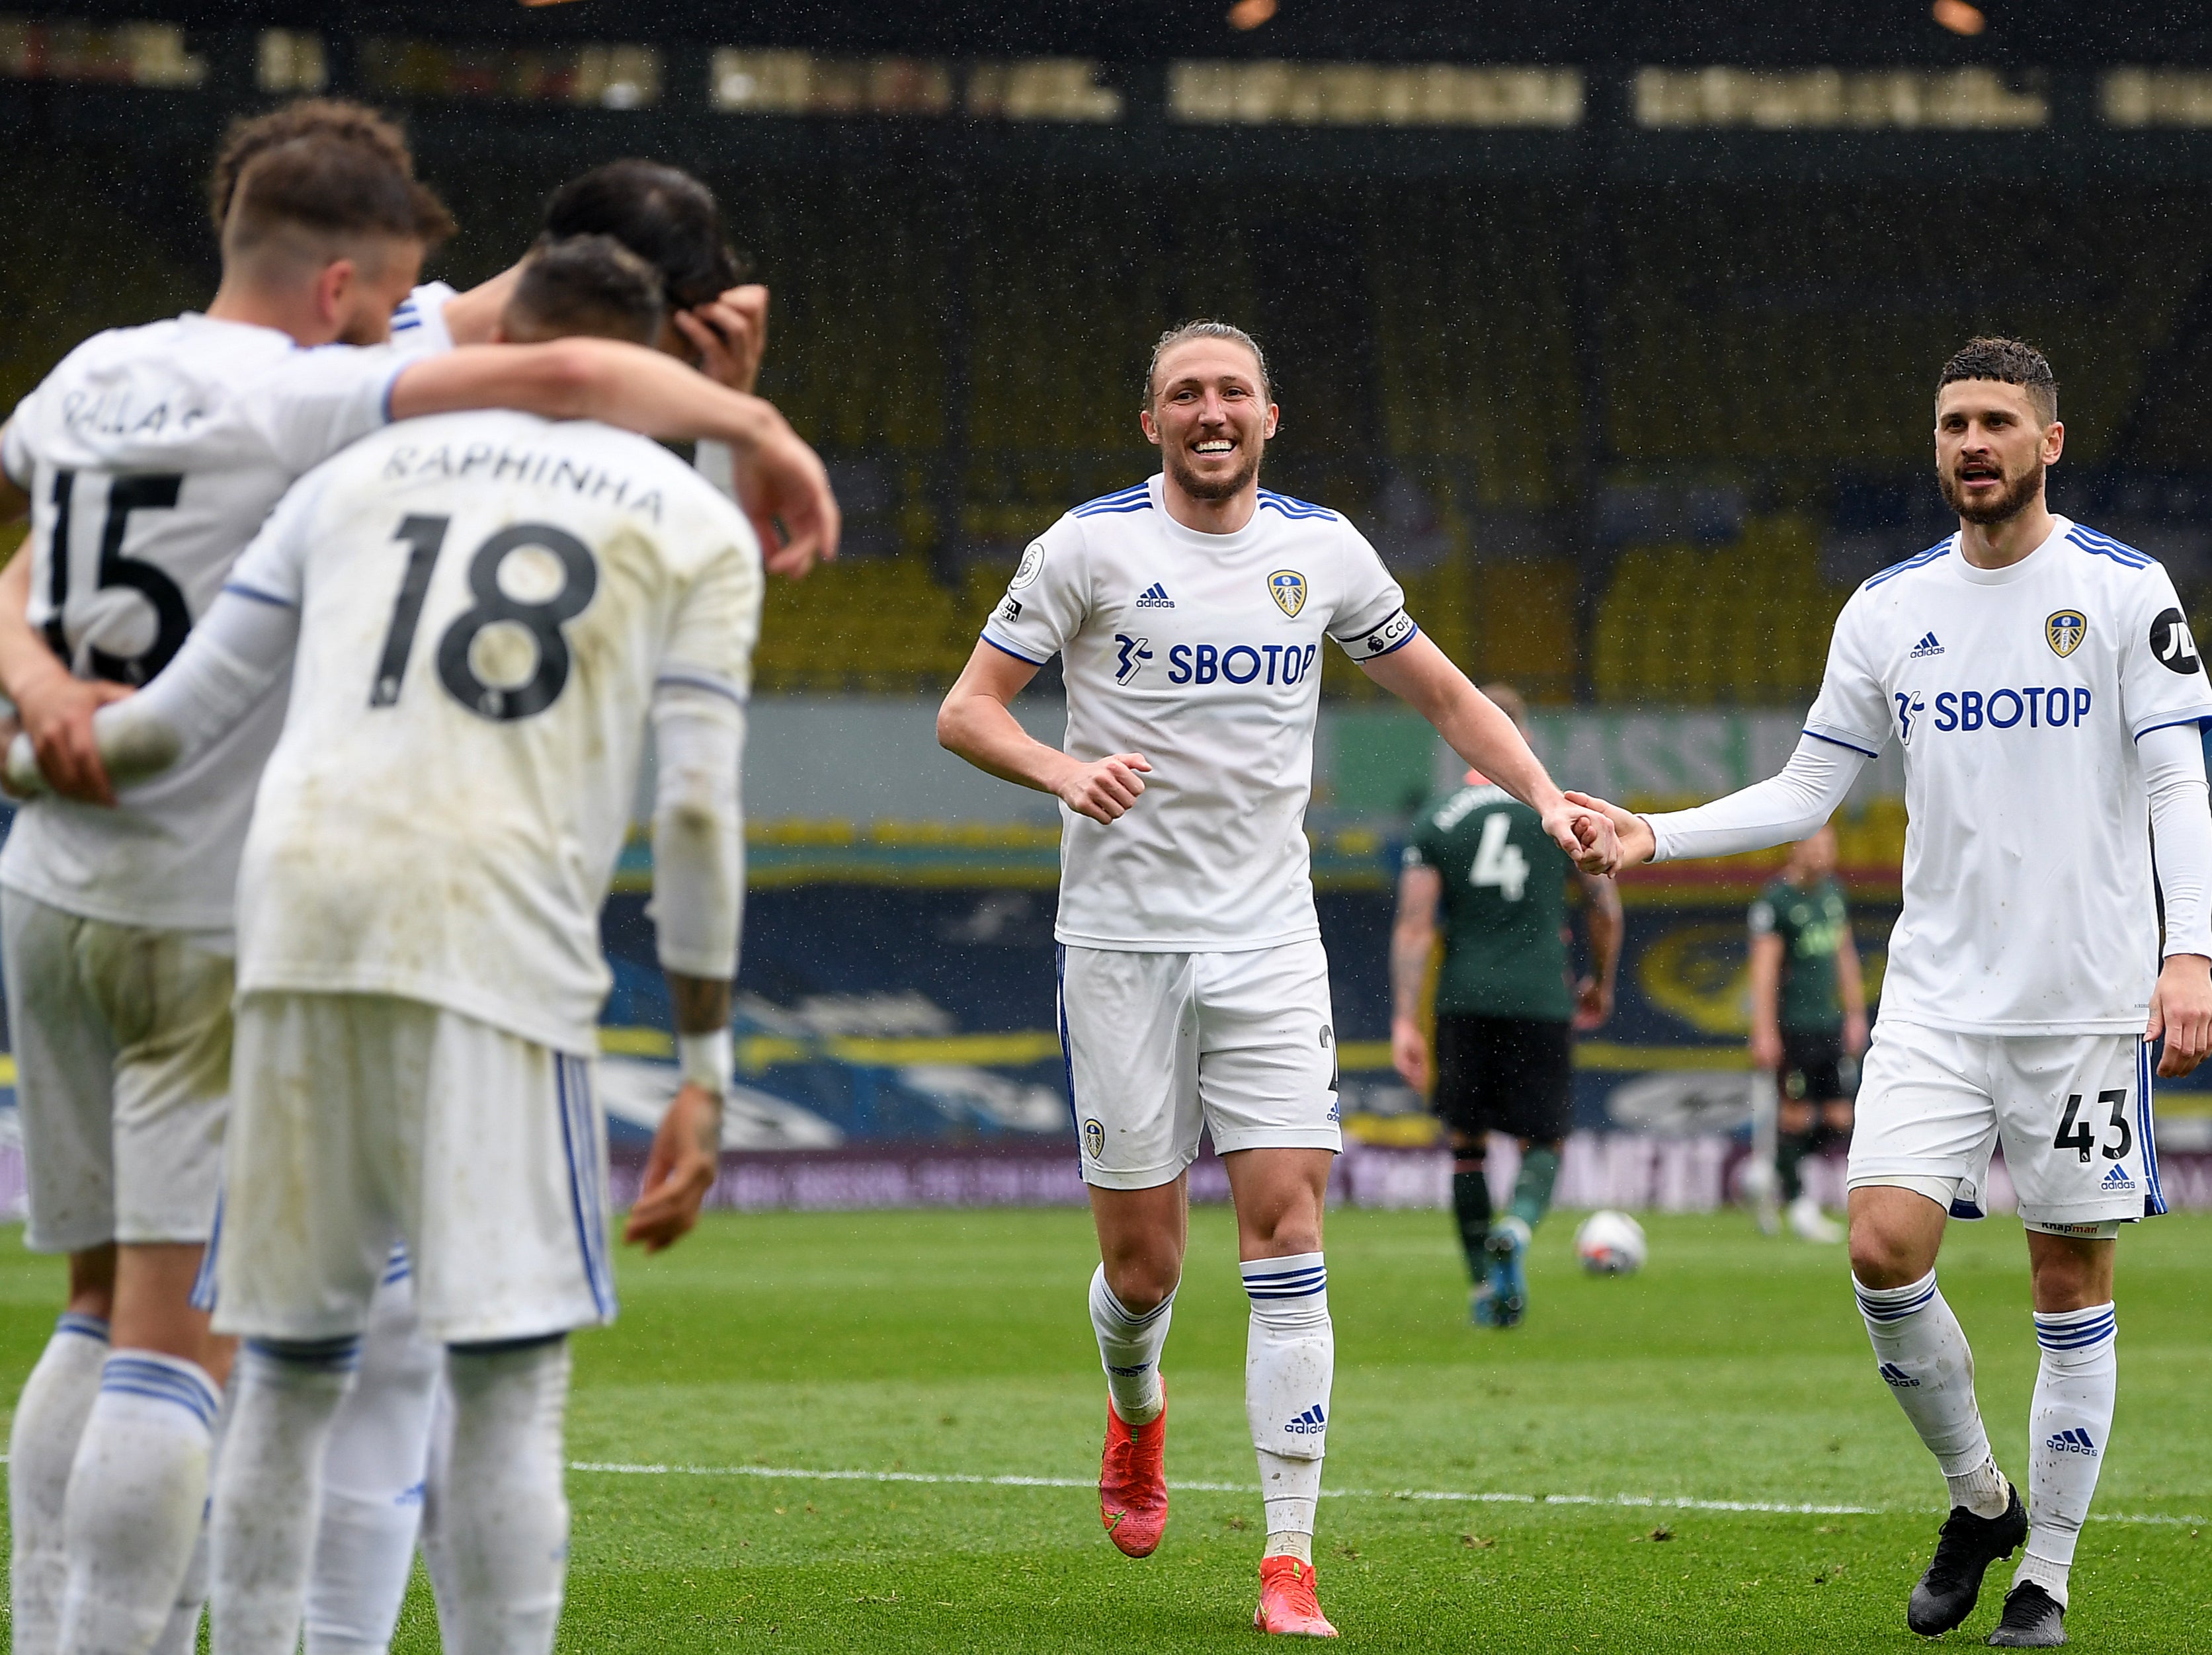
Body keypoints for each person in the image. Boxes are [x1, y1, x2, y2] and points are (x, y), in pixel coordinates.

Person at [0, 102, 831, 1655]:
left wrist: (39, 722)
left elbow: (62, 603)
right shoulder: (345, 409)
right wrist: (751, 428)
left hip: (144, 877)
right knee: (434, 1368)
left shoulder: (149, 386)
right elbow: (578, 391)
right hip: (349, 914)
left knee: (171, 1325)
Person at [937, 320, 1616, 1638]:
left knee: (1287, 1235)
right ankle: (1137, 1412)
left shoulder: (1322, 552)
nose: (1209, 411)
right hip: (1122, 943)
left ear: (1268, 414)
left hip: (1266, 939)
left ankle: (1288, 1561)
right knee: (1142, 1271)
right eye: (1184, 393)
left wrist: (1538, 794)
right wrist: (1063, 772)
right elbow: (968, 709)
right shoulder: (1085, 548)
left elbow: (1445, 695)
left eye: (1230, 392)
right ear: (1151, 421)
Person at [1570, 337, 2212, 1648]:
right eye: (1949, 423)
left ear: (2048, 440)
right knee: (1878, 1247)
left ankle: (2046, 1580)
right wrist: (1651, 833)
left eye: (1993, 421)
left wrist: (2189, 952)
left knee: (2065, 1276)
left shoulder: (2119, 590)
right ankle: (1979, 1499)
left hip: (2086, 1000)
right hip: (1933, 995)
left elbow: (2175, 782)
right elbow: (1808, 790)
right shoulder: (1884, 609)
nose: (1969, 443)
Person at [1389, 682, 1622, 1326]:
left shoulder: (1437, 819)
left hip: (1464, 997)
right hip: (1542, 998)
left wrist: (1406, 1018)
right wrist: (1601, 979)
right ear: (1524, 737)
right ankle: (1516, 1227)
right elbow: (1603, 906)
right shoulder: (1560, 814)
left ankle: (1482, 1290)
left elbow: (1414, 924)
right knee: (1542, 1140)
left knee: (1466, 1144)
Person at [1746, 825, 1865, 1244]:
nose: (1823, 853)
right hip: (1792, 1024)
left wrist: (1854, 1013)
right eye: (1816, 845)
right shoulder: (1776, 901)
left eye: (1829, 845)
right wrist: (1763, 1031)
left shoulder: (1833, 893)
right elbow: (1763, 972)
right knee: (1795, 1115)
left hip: (1828, 1022)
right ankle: (1798, 1206)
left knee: (1838, 1117)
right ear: (1797, 847)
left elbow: (1844, 953)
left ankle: (1769, 1170)